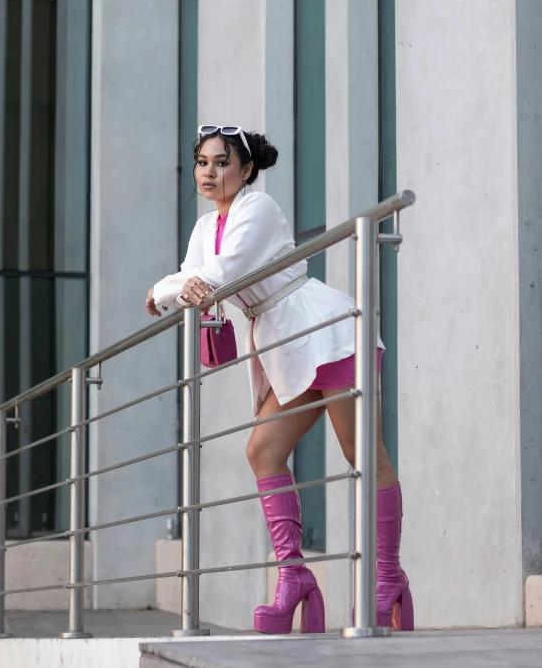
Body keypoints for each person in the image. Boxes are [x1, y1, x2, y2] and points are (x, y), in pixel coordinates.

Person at [145, 125, 413, 634]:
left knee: (360, 453)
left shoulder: (258, 208)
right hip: (279, 344)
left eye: (222, 163)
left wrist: (165, 289)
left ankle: (386, 577)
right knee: (262, 451)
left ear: (246, 170)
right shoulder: (206, 226)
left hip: (325, 330)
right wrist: (177, 287)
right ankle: (293, 577)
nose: (209, 172)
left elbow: (222, 274)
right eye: (202, 163)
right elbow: (191, 276)